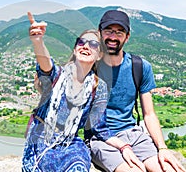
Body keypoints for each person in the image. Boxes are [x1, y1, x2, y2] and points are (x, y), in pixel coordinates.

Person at [22, 12, 145, 172]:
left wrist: (124, 147)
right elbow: (46, 65)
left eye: (93, 45)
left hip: (70, 143)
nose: (86, 47)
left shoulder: (98, 88)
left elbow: (99, 128)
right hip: (41, 140)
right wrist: (38, 41)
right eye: (81, 43)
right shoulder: (57, 76)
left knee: (78, 166)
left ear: (100, 54)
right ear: (75, 49)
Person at [90, 9, 186, 172]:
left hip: (134, 134)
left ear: (127, 37)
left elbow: (149, 114)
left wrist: (162, 148)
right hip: (101, 139)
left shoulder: (139, 67)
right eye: (108, 31)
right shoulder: (89, 66)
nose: (113, 37)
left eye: (119, 32)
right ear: (100, 33)